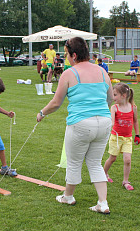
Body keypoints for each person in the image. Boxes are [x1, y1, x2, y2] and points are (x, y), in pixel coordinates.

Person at [36, 37, 113, 214]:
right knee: (95, 163)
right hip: (104, 122)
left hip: (80, 123)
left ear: (75, 55)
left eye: (67, 54)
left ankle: (68, 196)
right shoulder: (102, 71)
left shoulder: (69, 73)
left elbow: (56, 103)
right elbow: (110, 98)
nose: (66, 57)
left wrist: (41, 113)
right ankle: (103, 202)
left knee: (74, 162)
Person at [104, 83, 140, 191]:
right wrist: (109, 127)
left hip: (127, 138)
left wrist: (137, 135)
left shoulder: (133, 108)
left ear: (124, 95)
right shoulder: (114, 108)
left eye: (115, 95)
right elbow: (112, 121)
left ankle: (126, 181)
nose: (113, 98)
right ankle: (104, 174)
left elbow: (135, 121)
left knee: (127, 160)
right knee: (112, 158)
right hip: (116, 138)